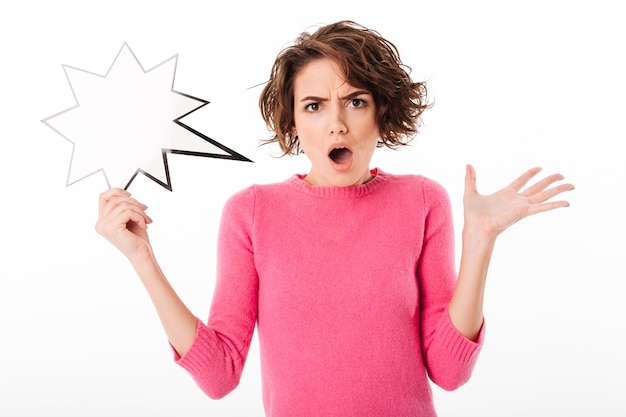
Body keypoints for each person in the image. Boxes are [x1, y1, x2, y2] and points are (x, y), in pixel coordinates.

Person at [96, 20, 574, 416]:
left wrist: (480, 241)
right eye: (314, 105)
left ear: (381, 114)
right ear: (293, 122)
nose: (336, 123)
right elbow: (220, 375)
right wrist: (142, 258)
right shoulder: (251, 213)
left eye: (356, 101)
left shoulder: (423, 201)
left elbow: (450, 373)